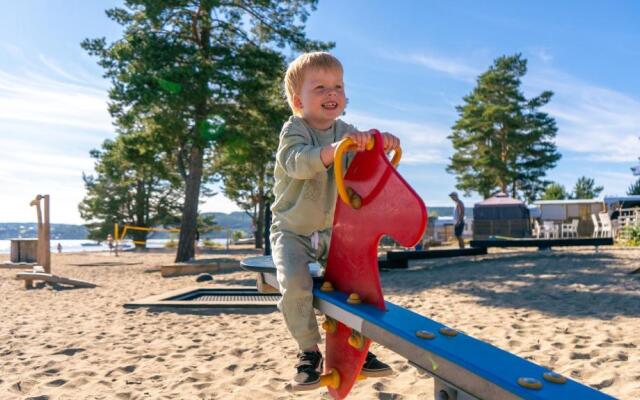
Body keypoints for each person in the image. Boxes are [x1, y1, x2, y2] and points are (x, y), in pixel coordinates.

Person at [271, 52, 399, 390]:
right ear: (299, 101)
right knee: (296, 286)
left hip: (331, 231)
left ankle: (357, 348)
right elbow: (297, 163)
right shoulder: (294, 129)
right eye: (321, 87)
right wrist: (334, 150)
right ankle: (308, 352)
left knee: (352, 285)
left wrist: (379, 144)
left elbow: (365, 163)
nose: (332, 93)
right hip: (292, 229)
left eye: (338, 86)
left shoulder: (346, 131)